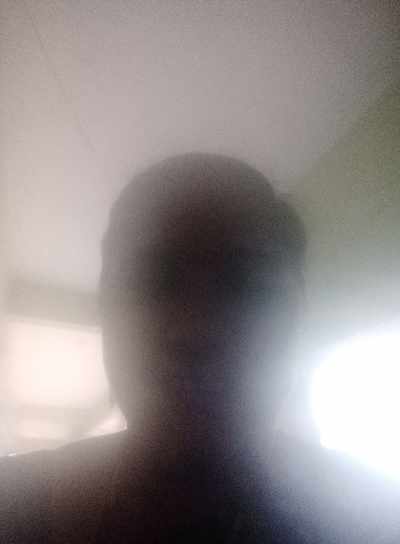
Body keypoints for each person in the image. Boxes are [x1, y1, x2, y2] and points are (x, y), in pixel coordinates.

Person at [1, 153, 399, 543]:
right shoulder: (14, 504)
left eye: (247, 286)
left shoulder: (384, 519)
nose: (197, 328)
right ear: (103, 309)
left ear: (299, 314)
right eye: (151, 282)